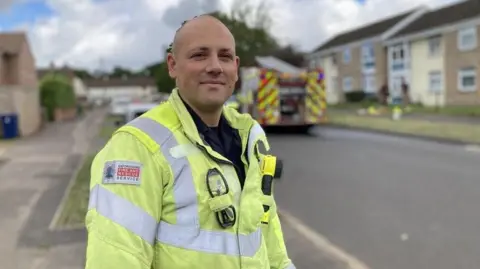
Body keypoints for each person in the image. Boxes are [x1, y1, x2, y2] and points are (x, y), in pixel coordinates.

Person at [84, 14, 295, 269]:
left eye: (225, 56)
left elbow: (267, 230)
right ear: (173, 65)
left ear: (236, 68)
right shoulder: (136, 147)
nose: (215, 66)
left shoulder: (250, 138)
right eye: (199, 55)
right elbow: (116, 260)